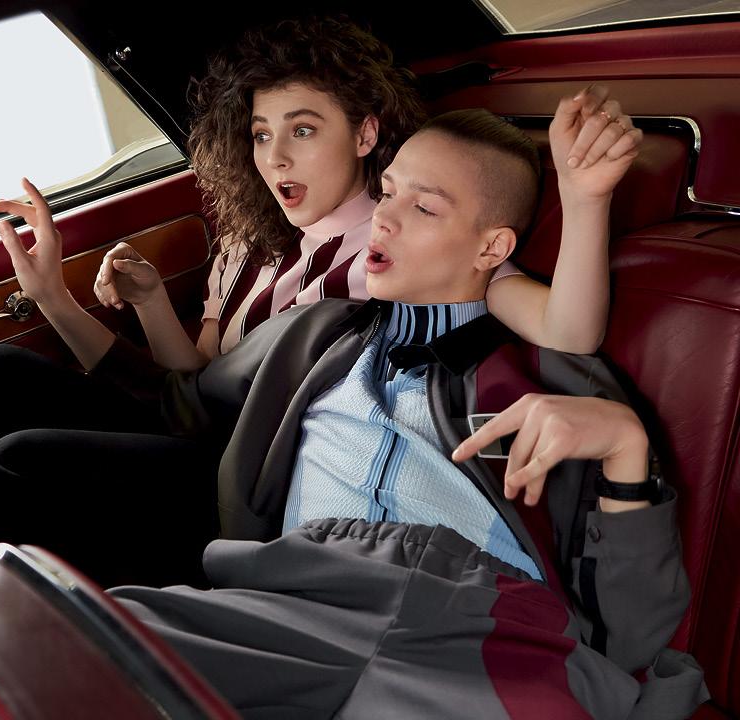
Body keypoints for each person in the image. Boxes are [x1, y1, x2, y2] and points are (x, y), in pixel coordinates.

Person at [0, 16, 627, 584]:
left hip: (265, 477)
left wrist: (584, 199)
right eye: (261, 134)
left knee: (19, 465)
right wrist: (99, 299)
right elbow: (194, 383)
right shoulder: (251, 243)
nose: (275, 158)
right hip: (203, 426)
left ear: (364, 135)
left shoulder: (410, 253)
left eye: (302, 130)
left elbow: (564, 326)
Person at [87, 108, 707, 719]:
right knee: (83, 645)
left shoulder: (542, 381)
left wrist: (627, 449)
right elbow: (183, 401)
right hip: (295, 597)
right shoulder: (312, 335)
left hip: (480, 619)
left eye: (424, 208)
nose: (383, 217)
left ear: (492, 247)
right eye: (386, 193)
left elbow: (632, 629)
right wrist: (73, 303)